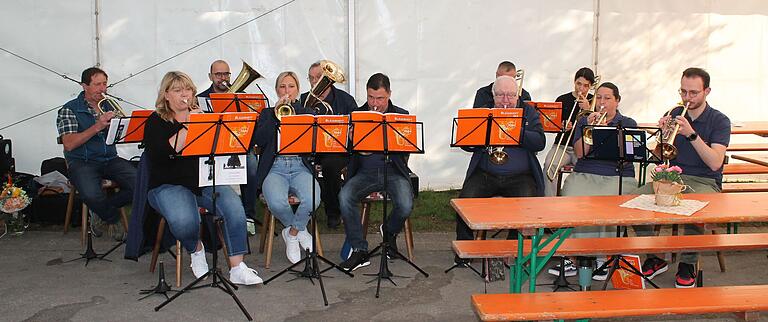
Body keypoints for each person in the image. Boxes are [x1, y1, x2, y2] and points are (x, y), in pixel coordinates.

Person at [143, 71, 261, 285]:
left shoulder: (205, 116)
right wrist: (190, 124)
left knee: (235, 207)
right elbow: (167, 152)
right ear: (166, 95)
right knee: (184, 221)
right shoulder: (155, 122)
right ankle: (196, 249)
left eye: (187, 89)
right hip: (167, 184)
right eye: (177, 90)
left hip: (202, 181)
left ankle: (237, 267)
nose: (184, 94)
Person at [632, 67, 730, 288]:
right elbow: (659, 156)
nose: (687, 98)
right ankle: (654, 257)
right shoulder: (675, 112)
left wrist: (692, 134)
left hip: (705, 180)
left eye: (693, 93)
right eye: (683, 92)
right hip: (672, 178)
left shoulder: (719, 120)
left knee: (695, 210)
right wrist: (661, 135)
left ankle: (687, 263)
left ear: (707, 91)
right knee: (632, 202)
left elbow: (715, 162)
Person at [549, 82, 638, 280]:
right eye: (598, 98)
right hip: (586, 171)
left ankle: (600, 256)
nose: (602, 102)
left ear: (617, 101)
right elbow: (580, 154)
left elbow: (630, 154)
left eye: (607, 98)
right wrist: (590, 129)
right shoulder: (584, 120)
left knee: (605, 201)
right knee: (572, 195)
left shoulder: (628, 122)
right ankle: (570, 255)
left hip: (617, 174)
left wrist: (608, 134)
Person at [454, 75, 547, 264]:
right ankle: (466, 250)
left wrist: (515, 131)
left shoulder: (528, 113)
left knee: (528, 207)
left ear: (518, 95)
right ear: (493, 96)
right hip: (486, 174)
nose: (506, 100)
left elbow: (540, 142)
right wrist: (483, 135)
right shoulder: (484, 113)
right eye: (501, 95)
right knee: (464, 202)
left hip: (520, 176)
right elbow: (466, 144)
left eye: (511, 96)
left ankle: (513, 249)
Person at [338, 73, 415, 271]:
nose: (374, 103)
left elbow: (407, 149)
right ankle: (359, 250)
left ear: (389, 94)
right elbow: (344, 149)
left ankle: (388, 232)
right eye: (371, 97)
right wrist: (351, 140)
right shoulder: (357, 115)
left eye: (380, 98)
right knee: (345, 196)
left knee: (405, 205)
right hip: (365, 173)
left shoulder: (401, 114)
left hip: (394, 171)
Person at [56, 67, 136, 241]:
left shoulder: (108, 105)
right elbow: (69, 144)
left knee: (141, 183)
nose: (102, 89)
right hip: (82, 161)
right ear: (84, 86)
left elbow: (121, 136)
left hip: (109, 158)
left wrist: (120, 127)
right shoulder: (69, 110)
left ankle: (102, 210)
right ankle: (112, 217)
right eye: (97, 84)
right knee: (91, 194)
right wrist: (98, 127)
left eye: (105, 84)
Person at [254, 71, 320, 264]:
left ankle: (291, 234)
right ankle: (299, 230)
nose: (286, 90)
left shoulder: (307, 113)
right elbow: (259, 140)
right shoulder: (267, 114)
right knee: (276, 202)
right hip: (275, 168)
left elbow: (315, 143)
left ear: (298, 90)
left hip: (300, 166)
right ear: (276, 90)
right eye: (282, 86)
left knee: (313, 198)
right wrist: (275, 116)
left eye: (291, 86)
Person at [196, 60, 259, 226]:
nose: (223, 78)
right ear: (210, 76)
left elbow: (252, 126)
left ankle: (248, 214)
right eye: (218, 74)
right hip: (212, 148)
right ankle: (212, 211)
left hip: (238, 145)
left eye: (226, 74)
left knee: (251, 164)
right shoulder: (201, 99)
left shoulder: (243, 98)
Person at [299, 60, 358, 229]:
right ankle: (304, 209)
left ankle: (333, 211)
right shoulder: (304, 100)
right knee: (301, 163)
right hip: (311, 149)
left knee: (330, 165)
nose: (315, 82)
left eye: (319, 77)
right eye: (311, 78)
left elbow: (355, 129)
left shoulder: (345, 100)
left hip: (337, 151)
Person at [542, 67, 596, 196]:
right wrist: (561, 126)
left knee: (590, 171)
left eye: (585, 85)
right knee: (549, 166)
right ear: (574, 82)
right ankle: (550, 202)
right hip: (562, 146)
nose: (581, 89)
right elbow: (552, 125)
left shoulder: (595, 101)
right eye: (578, 84)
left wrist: (588, 110)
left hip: (584, 149)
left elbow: (598, 128)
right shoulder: (562, 99)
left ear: (591, 86)